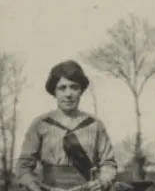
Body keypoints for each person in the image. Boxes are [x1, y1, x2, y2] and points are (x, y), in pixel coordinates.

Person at [16, 60, 132, 191]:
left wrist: (103, 180)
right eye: (62, 88)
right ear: (54, 92)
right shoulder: (40, 124)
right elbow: (24, 166)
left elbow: (108, 163)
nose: (68, 94)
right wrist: (33, 186)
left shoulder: (95, 125)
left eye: (74, 87)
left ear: (81, 90)